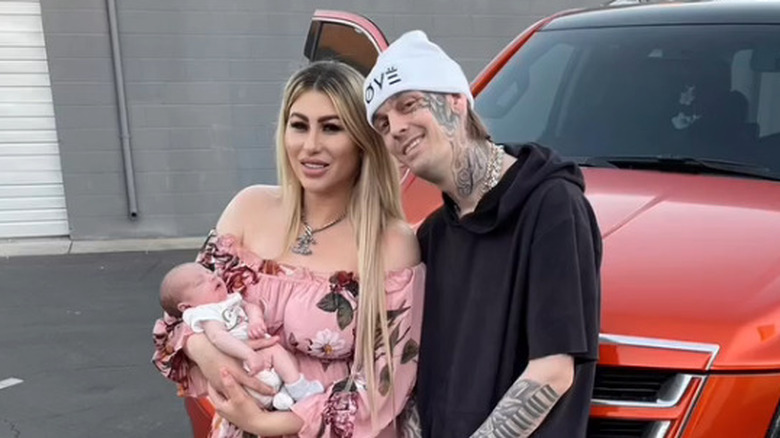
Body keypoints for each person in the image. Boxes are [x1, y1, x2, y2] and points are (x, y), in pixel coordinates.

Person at [152, 60, 425, 438]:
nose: (310, 146)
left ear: (362, 141)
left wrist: (267, 423)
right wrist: (204, 351)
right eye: (299, 125)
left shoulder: (390, 242)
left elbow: (388, 383)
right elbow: (182, 313)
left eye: (331, 128)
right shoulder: (248, 208)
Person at [364, 31, 602, 437]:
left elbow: (552, 372)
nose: (396, 130)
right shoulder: (434, 237)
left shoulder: (552, 207)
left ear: (456, 101)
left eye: (408, 105)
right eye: (383, 123)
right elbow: (421, 378)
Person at [158, 262, 325, 411]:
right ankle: (295, 389)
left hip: (259, 352)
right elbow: (218, 337)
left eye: (209, 272)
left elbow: (250, 306)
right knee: (273, 351)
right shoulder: (205, 313)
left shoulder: (228, 299)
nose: (212, 277)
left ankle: (286, 392)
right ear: (186, 306)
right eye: (200, 282)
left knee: (281, 354)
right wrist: (248, 354)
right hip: (242, 359)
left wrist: (255, 320)